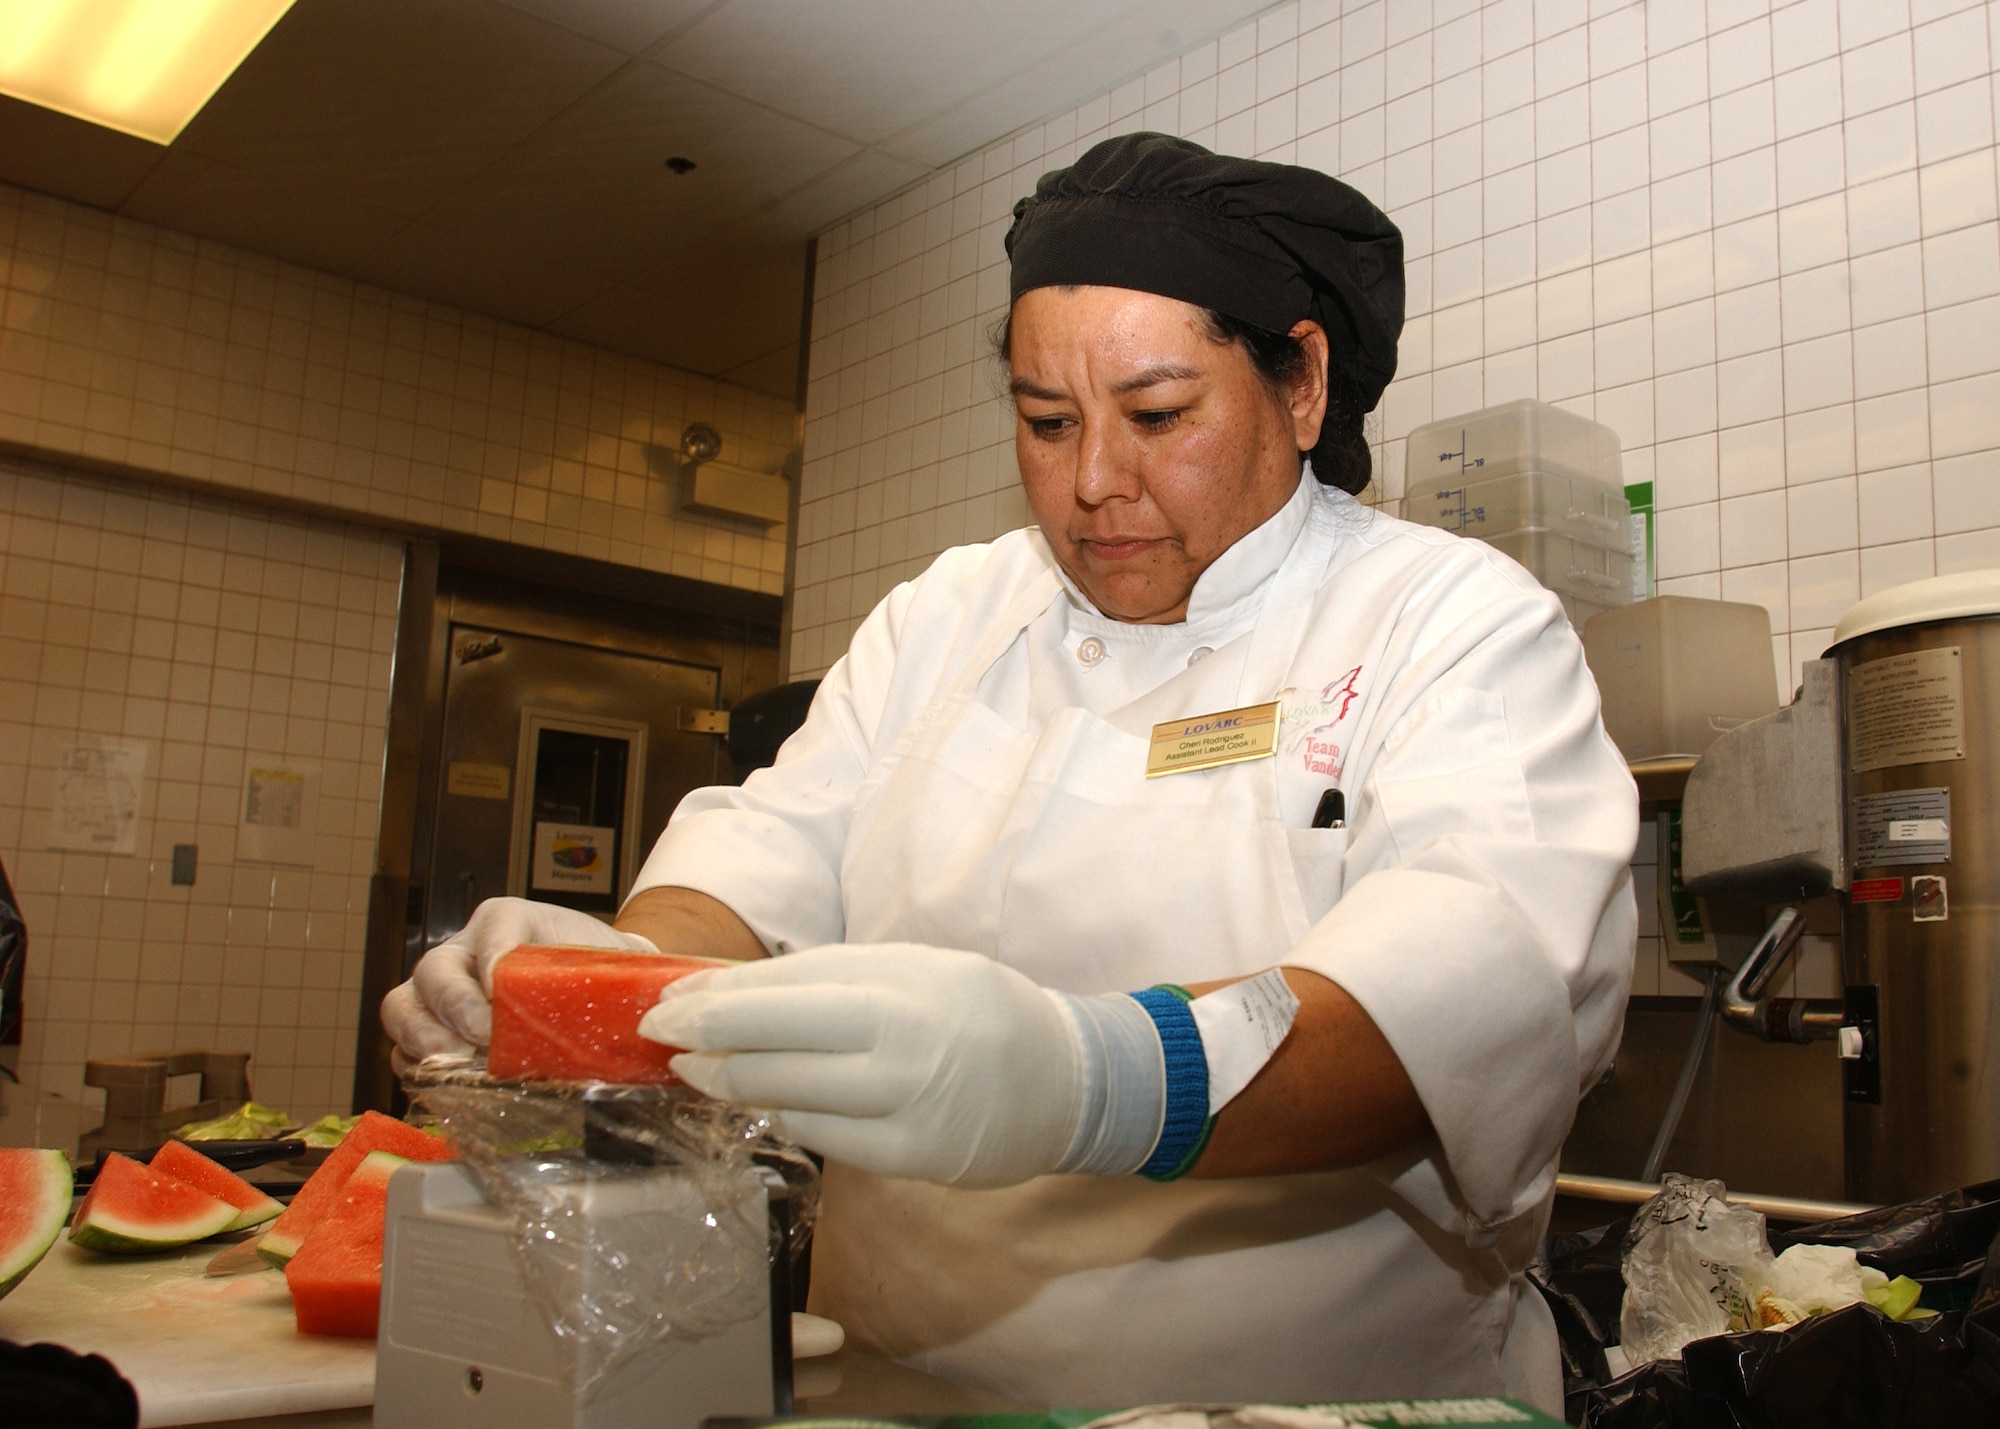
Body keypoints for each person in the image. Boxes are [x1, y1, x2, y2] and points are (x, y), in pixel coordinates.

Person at [384, 133, 1637, 1412]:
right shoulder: (949, 615)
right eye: (1045, 422)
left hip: (1311, 1399)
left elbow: (1463, 998)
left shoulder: (1446, 621)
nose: (1093, 482)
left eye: (1156, 415)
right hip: (887, 1386)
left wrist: (1084, 1080)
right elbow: (758, 875)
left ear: (1302, 382)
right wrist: (601, 982)